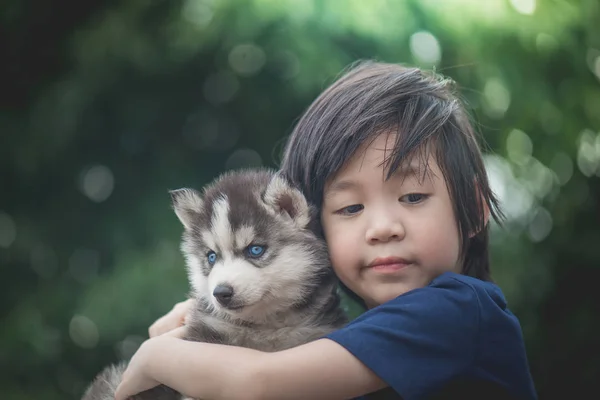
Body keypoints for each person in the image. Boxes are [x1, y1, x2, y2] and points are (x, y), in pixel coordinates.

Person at [115, 61, 538, 400]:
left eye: (412, 197)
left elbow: (257, 383)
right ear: (313, 230)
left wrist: (158, 356)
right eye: (351, 207)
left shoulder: (457, 312)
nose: (383, 228)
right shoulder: (363, 335)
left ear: (476, 208)